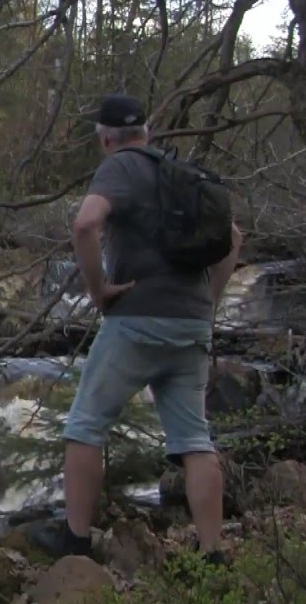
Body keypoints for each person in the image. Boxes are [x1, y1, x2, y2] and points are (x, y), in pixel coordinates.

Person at [31, 94, 243, 562]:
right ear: (146, 131)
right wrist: (208, 304)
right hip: (191, 324)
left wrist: (98, 290)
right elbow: (233, 239)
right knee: (194, 440)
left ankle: (76, 542)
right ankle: (213, 553)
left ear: (106, 138)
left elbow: (86, 224)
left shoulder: (120, 167)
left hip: (136, 319)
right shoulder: (177, 172)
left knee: (85, 426)